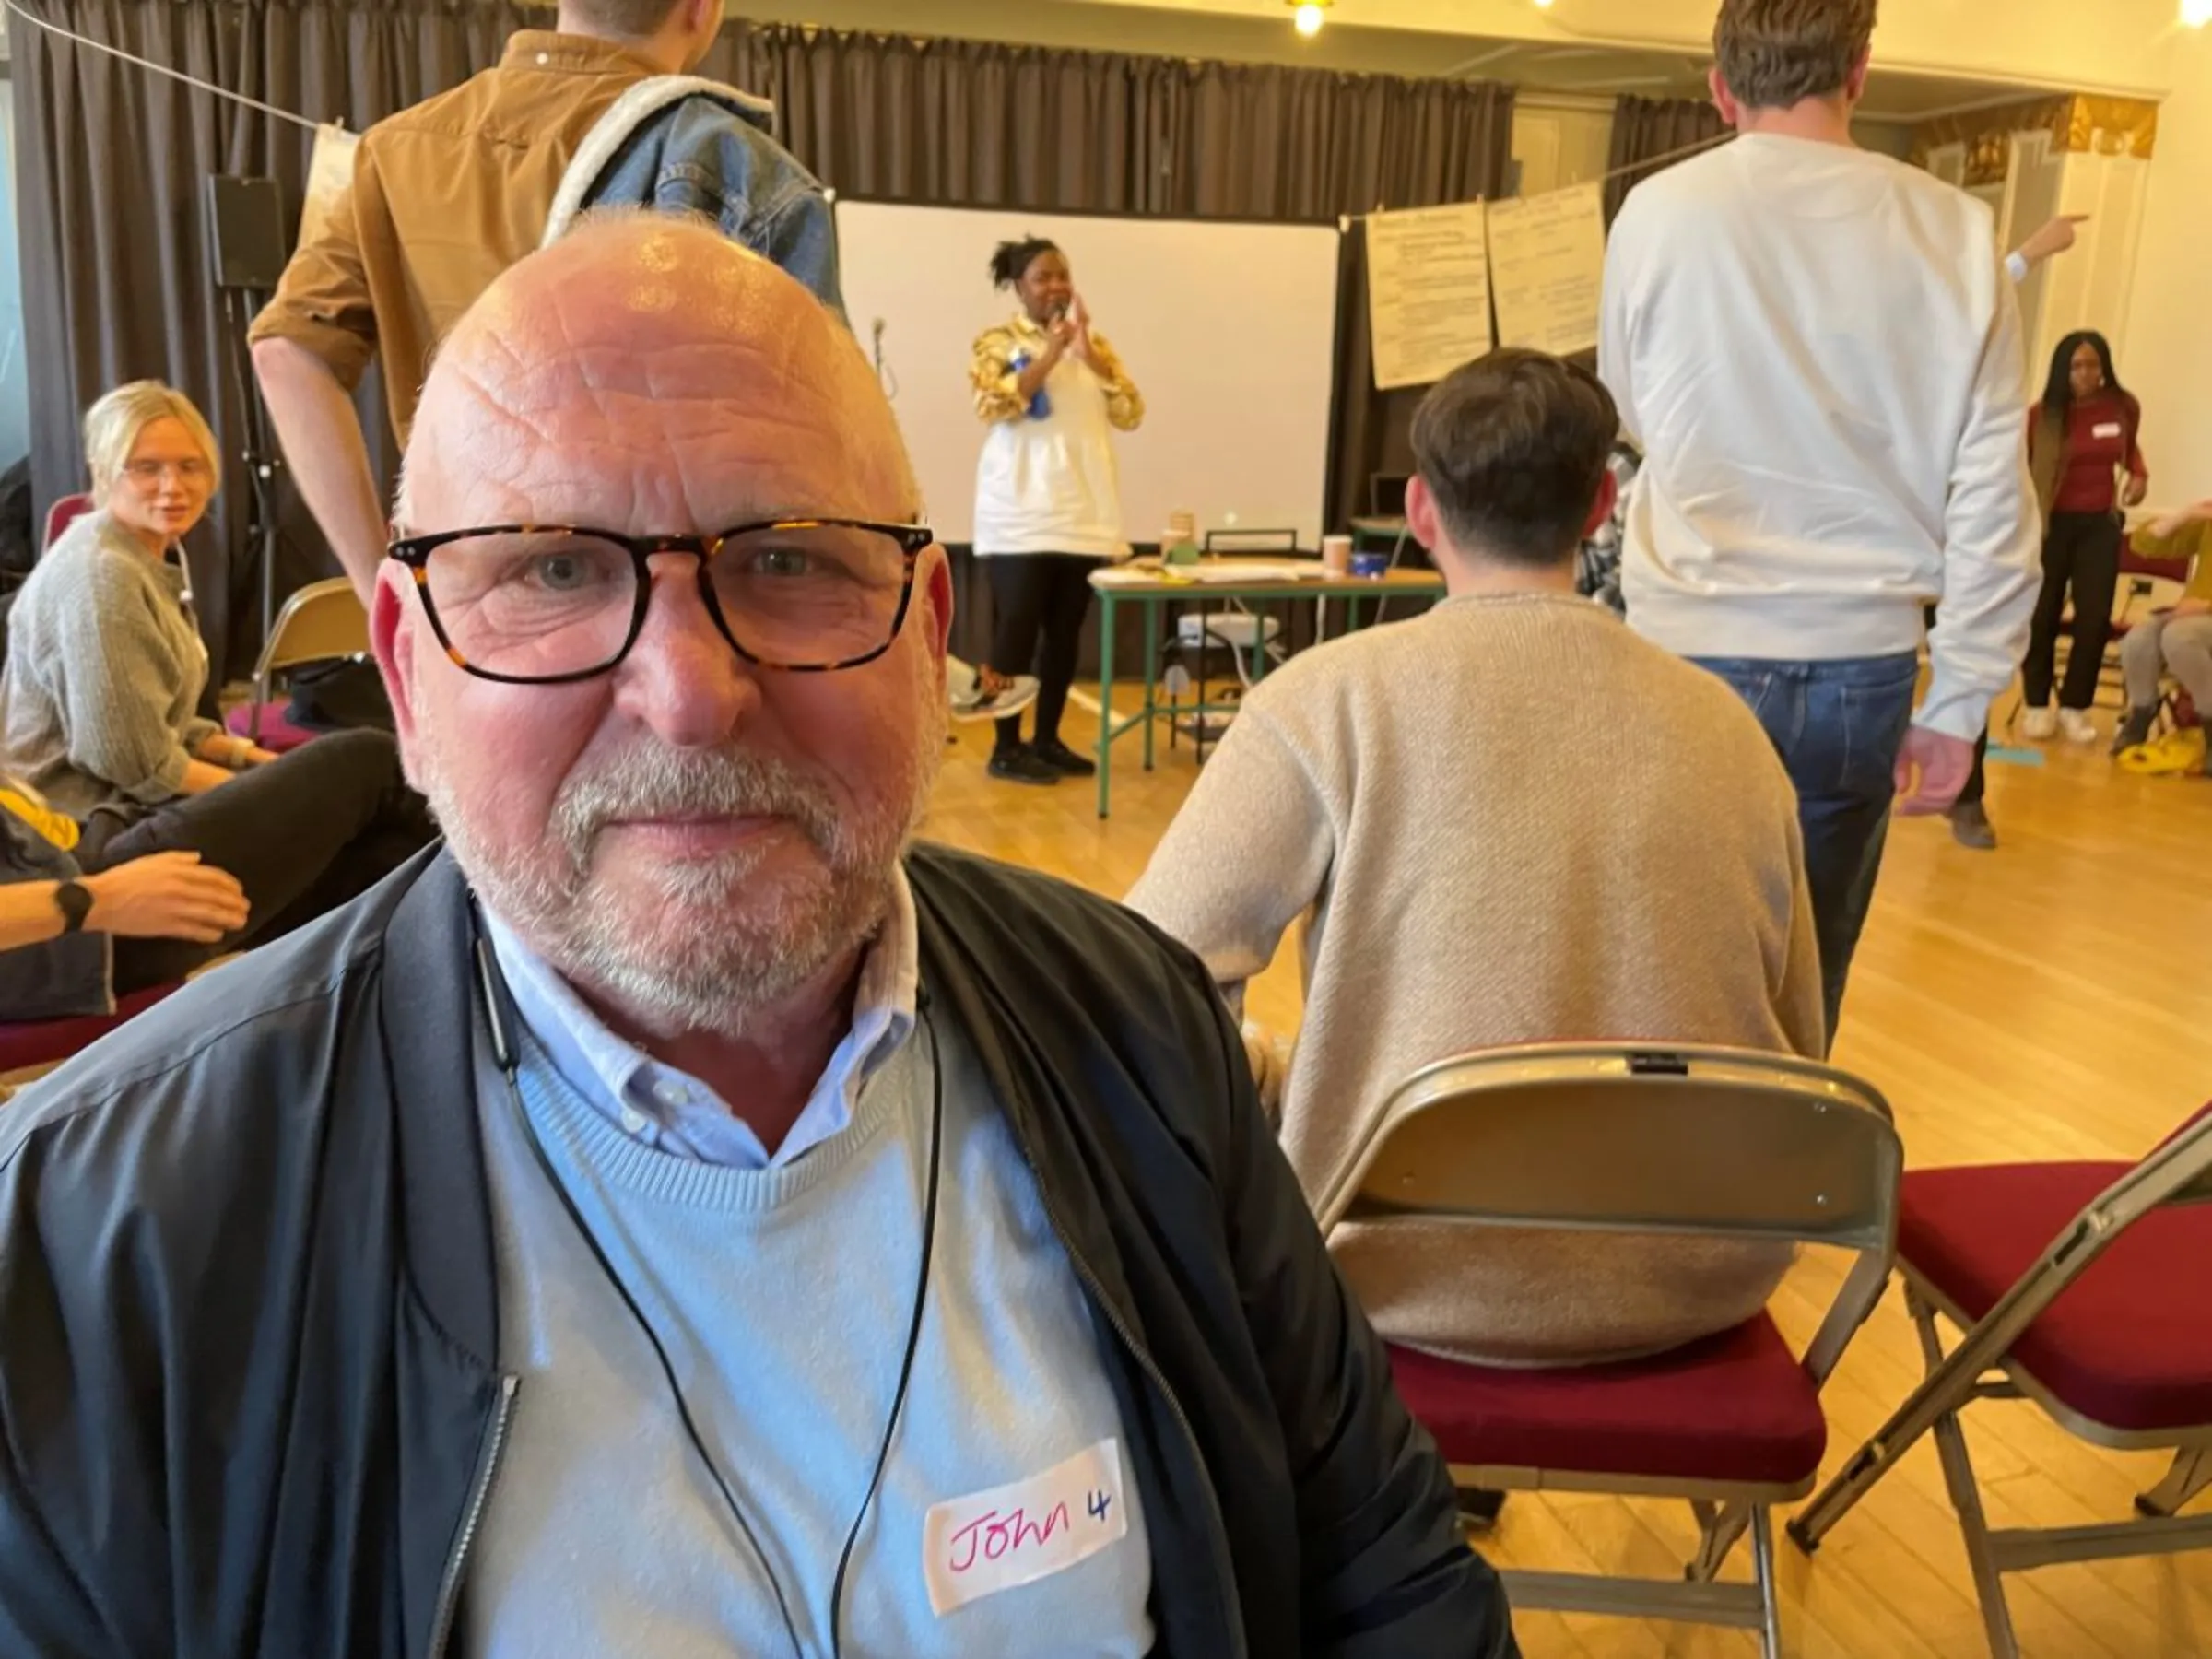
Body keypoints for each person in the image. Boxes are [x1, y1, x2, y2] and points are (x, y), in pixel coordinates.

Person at [0, 218, 1515, 1658]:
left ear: (928, 638)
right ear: (406, 672)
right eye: (551, 567)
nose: (689, 691)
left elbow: (1381, 1576)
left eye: (790, 560)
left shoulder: (1141, 1035)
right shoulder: (91, 1240)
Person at [1128, 347, 1823, 1370]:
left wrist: (1277, 1077)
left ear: (1419, 509)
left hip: (1392, 1277)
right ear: (1598, 506)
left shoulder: (1327, 699)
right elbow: (1795, 1037)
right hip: (1699, 1279)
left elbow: (1142, 983)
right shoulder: (1730, 729)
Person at [1599, 0, 2040, 1042]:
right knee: (1805, 986)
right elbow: (1991, 489)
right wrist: (1963, 698)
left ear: (1719, 86)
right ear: (1862, 73)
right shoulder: (1957, 232)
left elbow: (1627, 413)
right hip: (1864, 662)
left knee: (1659, 974)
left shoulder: (1657, 211)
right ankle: (1774, 1188)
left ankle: (1651, 1197)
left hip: (1687, 644)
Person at [250, 0, 840, 599]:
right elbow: (813, 452)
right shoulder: (738, 166)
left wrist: (381, 579)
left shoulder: (395, 150)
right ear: (701, 9)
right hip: (669, 587)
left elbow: (285, 352)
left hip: (465, 574)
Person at [1, 731, 433, 1018]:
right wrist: (94, 901)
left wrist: (247, 760)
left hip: (79, 851)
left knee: (378, 860)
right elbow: (133, 758)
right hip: (70, 919)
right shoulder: (102, 592)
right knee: (368, 765)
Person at [970, 236, 1145, 786]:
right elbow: (990, 402)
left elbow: (1131, 412)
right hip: (1020, 513)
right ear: (1019, 287)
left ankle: (1046, 739)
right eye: (1043, 277)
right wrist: (1049, 354)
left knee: (1065, 636)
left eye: (1062, 275)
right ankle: (1005, 746)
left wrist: (1088, 353)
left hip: (1083, 513)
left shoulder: (1093, 346)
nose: (1055, 287)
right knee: (1015, 635)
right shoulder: (997, 341)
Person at [1946, 212, 2092, 851]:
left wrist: (2027, 256)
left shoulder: (1955, 324)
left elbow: (1969, 309)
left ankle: (1966, 795)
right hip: (1873, 527)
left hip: (1959, 519)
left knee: (1968, 658)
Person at [2018, 329, 2148, 746]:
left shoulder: (2122, 406)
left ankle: (2075, 707)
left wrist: (2140, 477)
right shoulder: (2042, 415)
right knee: (2043, 616)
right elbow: (2021, 469)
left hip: (2099, 526)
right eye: (2077, 365)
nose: (2086, 373)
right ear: (2062, 369)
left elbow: (2132, 453)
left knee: (2093, 619)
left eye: (2093, 364)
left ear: (2105, 366)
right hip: (2051, 526)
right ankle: (2037, 705)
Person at [2112, 500, 2212, 776]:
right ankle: (2143, 711)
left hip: (2198, 617)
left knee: (2178, 637)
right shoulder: (2208, 524)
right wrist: (2185, 513)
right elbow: (2143, 544)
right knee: (2138, 639)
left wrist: (2206, 607)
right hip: (2191, 617)